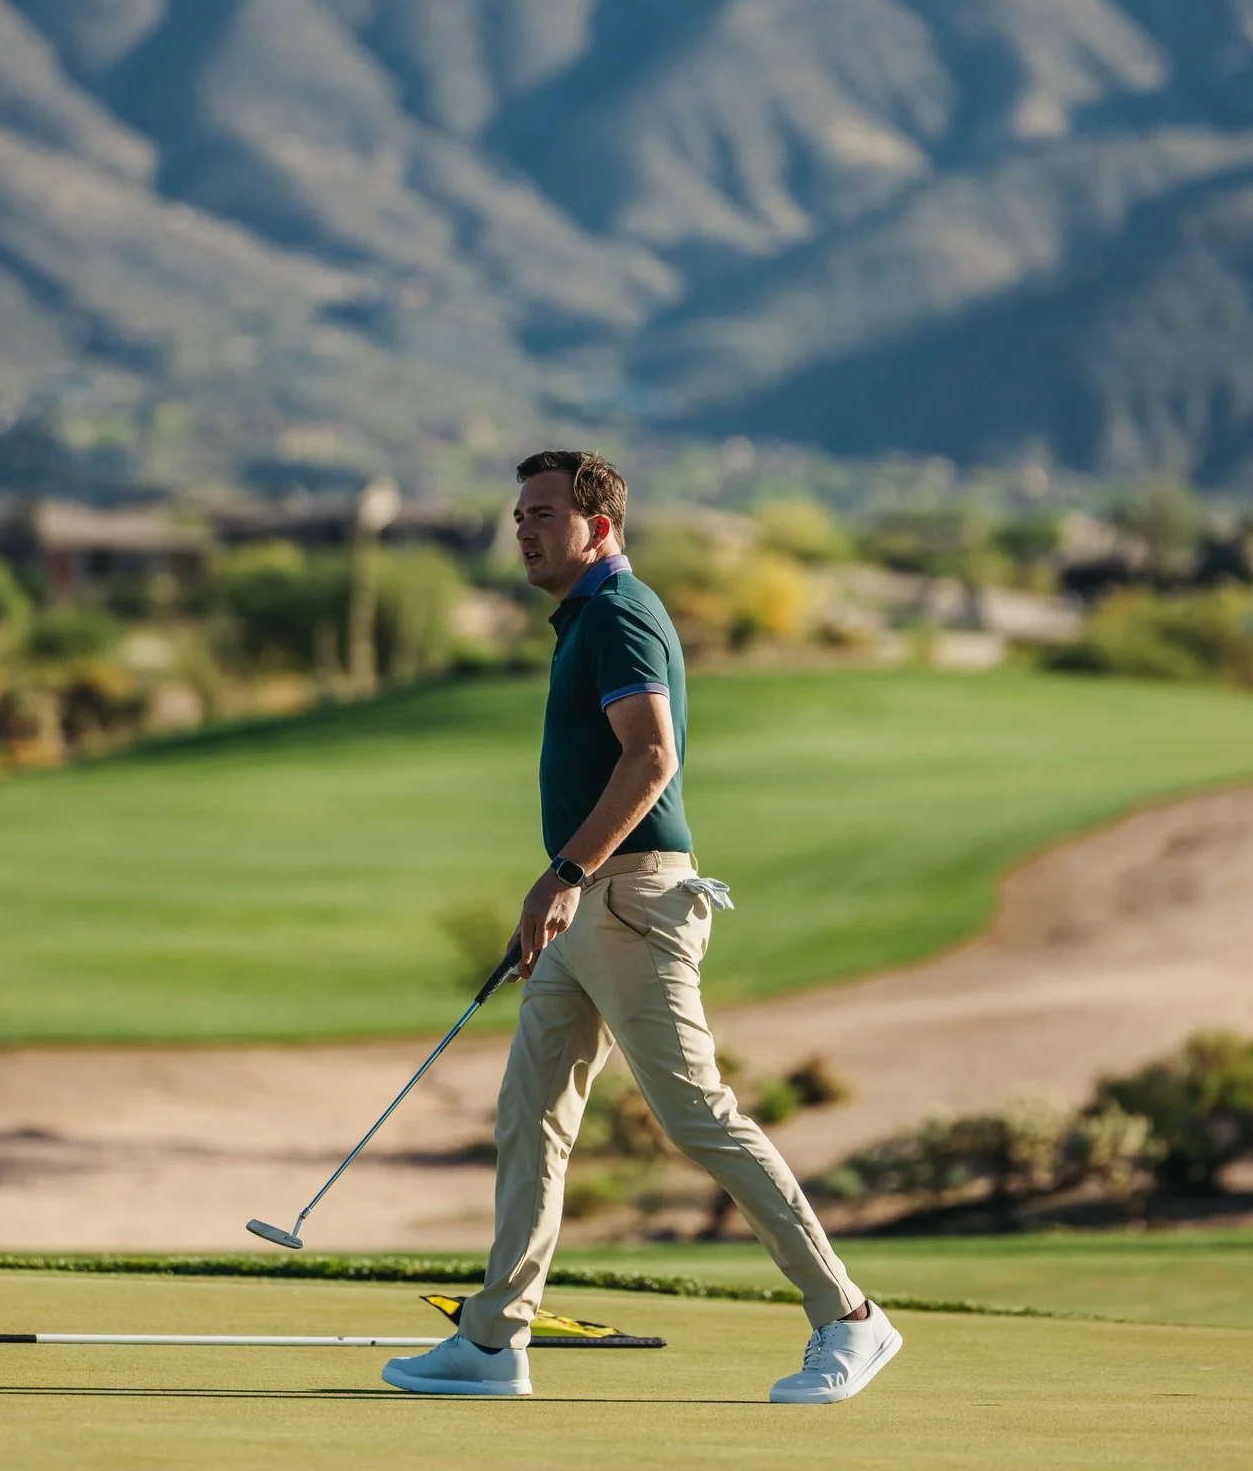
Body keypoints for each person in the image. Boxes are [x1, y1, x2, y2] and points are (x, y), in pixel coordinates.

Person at [383, 450, 901, 1404]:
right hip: (590, 901)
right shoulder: (584, 619)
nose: (524, 529)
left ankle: (850, 1318)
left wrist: (564, 874)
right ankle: (493, 1343)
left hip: (628, 899)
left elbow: (651, 757)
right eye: (519, 515)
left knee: (698, 1114)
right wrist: (568, 886)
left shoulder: (619, 611)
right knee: (532, 1119)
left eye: (544, 513)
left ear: (601, 527)